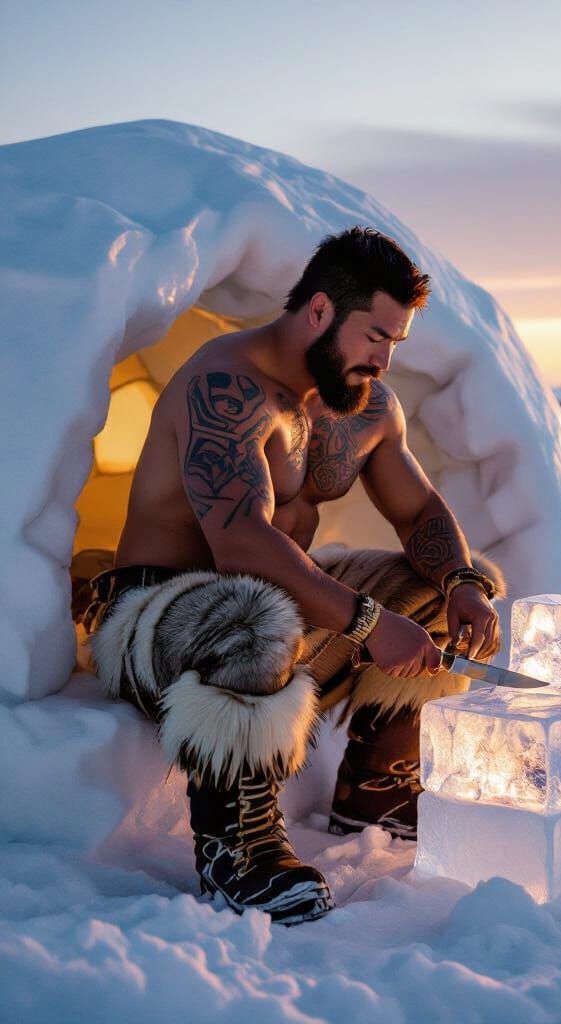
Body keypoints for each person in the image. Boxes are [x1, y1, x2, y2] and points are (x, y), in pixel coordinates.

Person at [80, 228, 503, 925]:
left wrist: (462, 583)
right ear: (317, 311)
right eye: (374, 335)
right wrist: (368, 623)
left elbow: (419, 507)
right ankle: (236, 851)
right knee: (255, 611)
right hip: (157, 616)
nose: (385, 358)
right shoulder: (225, 387)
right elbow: (242, 541)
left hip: (270, 611)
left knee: (448, 581)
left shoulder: (365, 407)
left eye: (395, 340)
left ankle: (377, 791)